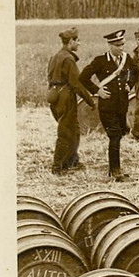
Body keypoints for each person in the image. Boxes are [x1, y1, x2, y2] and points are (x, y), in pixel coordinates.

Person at [80, 29, 139, 181]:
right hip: (107, 106)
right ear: (110, 45)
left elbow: (136, 71)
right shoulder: (100, 61)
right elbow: (83, 78)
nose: (121, 48)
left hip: (122, 105)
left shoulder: (126, 58)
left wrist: (130, 84)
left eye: (123, 44)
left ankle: (115, 169)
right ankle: (115, 171)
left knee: (119, 135)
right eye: (118, 45)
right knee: (114, 136)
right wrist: (97, 91)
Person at [47, 27, 96, 174]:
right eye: (77, 40)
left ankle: (72, 161)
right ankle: (57, 167)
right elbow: (76, 84)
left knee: (74, 130)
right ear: (71, 42)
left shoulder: (55, 57)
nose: (79, 43)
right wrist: (91, 101)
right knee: (65, 132)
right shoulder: (68, 59)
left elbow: (50, 78)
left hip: (54, 95)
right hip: (66, 97)